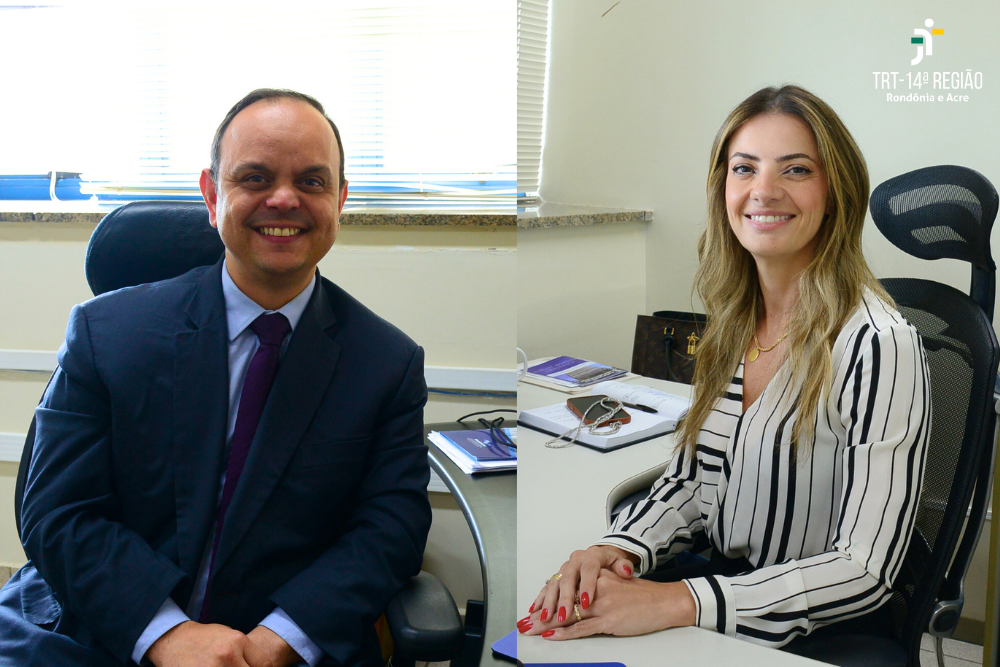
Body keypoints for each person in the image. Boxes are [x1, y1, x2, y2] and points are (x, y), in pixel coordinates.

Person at [0, 89, 432, 667]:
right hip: (96, 630)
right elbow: (55, 509)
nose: (284, 199)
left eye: (311, 181)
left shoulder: (386, 362)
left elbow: (391, 528)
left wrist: (283, 635)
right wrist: (166, 634)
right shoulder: (106, 332)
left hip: (269, 649)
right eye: (255, 177)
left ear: (340, 199)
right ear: (211, 194)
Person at [518, 85, 930, 649]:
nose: (764, 190)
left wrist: (678, 601)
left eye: (796, 170)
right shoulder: (734, 322)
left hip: (815, 628)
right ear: (724, 189)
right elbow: (692, 482)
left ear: (834, 192)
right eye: (745, 168)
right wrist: (617, 550)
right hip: (719, 593)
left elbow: (865, 570)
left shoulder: (879, 344)